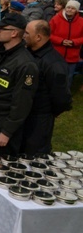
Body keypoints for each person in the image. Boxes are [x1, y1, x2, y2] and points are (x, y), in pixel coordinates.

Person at [0, 14, 38, 157]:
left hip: (4, 120)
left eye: (1, 28)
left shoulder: (26, 64)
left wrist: (7, 132)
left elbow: (22, 102)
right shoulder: (0, 52)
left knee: (0, 165)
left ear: (14, 33)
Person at [22, 20, 72, 154]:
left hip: (39, 119)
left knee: (33, 155)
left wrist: (48, 113)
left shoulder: (54, 63)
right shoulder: (28, 53)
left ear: (38, 37)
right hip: (23, 115)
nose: (24, 35)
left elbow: (61, 98)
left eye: (27, 33)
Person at [49, 0, 83, 86]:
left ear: (76, 10)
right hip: (57, 53)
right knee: (55, 75)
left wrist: (74, 42)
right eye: (68, 7)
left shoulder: (81, 21)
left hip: (73, 54)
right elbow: (49, 34)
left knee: (69, 76)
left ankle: (65, 95)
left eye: (73, 8)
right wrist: (61, 41)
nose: (69, 10)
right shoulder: (55, 19)